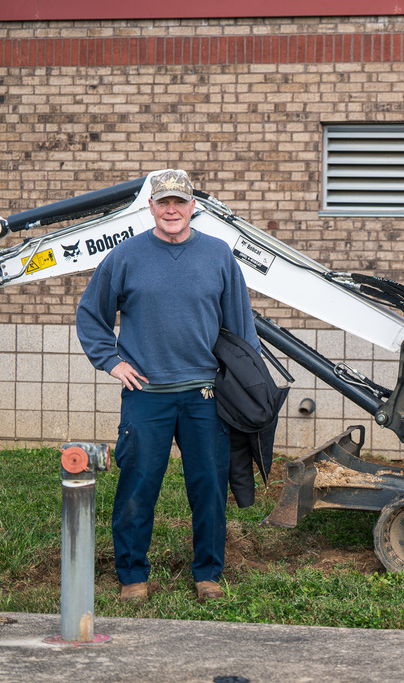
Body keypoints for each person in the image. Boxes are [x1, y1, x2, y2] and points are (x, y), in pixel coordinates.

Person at [76, 169, 259, 603]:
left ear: (194, 206)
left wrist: (242, 382)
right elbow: (91, 315)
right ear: (151, 207)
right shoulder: (125, 257)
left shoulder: (218, 256)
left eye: (180, 202)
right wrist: (113, 362)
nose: (172, 210)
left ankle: (208, 574)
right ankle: (133, 577)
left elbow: (241, 330)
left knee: (210, 486)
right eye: (164, 202)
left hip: (204, 396)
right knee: (138, 486)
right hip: (146, 396)